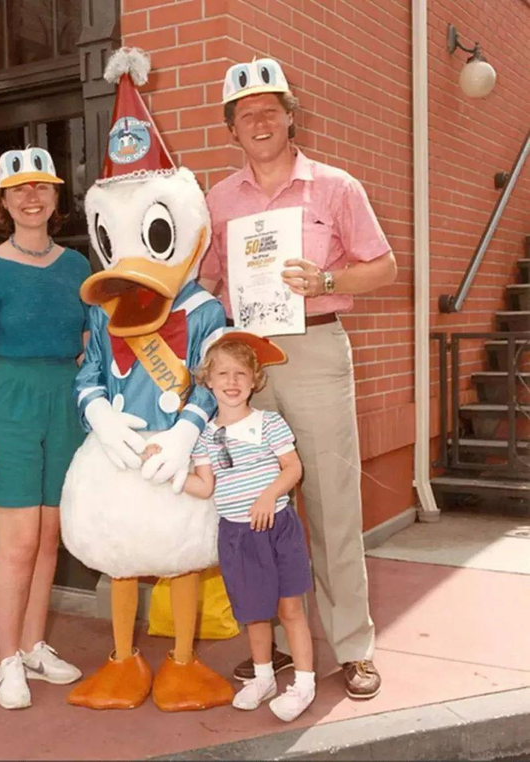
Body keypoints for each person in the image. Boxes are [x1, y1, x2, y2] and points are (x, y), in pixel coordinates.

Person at [199, 58, 397, 699]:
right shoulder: (218, 200)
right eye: (244, 115)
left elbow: (384, 267)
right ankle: (282, 645)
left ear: (290, 117)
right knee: (257, 501)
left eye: (269, 110)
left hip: (313, 346)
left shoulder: (336, 187)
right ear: (231, 129)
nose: (258, 122)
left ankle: (353, 647)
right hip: (245, 358)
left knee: (332, 502)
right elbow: (206, 280)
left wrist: (328, 279)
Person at [0, 147, 89, 710]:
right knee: (19, 542)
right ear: (4, 202)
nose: (31, 197)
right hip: (9, 401)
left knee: (49, 536)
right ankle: (7, 658)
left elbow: (89, 342)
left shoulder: (77, 267)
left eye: (42, 187)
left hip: (65, 400)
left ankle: (34, 647)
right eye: (19, 190)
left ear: (56, 197)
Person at [183, 332, 315, 722]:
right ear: (208, 380)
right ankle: (263, 678)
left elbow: (292, 467)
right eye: (223, 373)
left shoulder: (269, 423)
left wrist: (268, 496)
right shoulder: (205, 436)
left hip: (278, 528)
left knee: (290, 608)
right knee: (255, 612)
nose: (232, 381)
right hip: (238, 535)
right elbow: (204, 486)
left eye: (241, 373)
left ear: (255, 380)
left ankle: (304, 684)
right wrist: (165, 471)